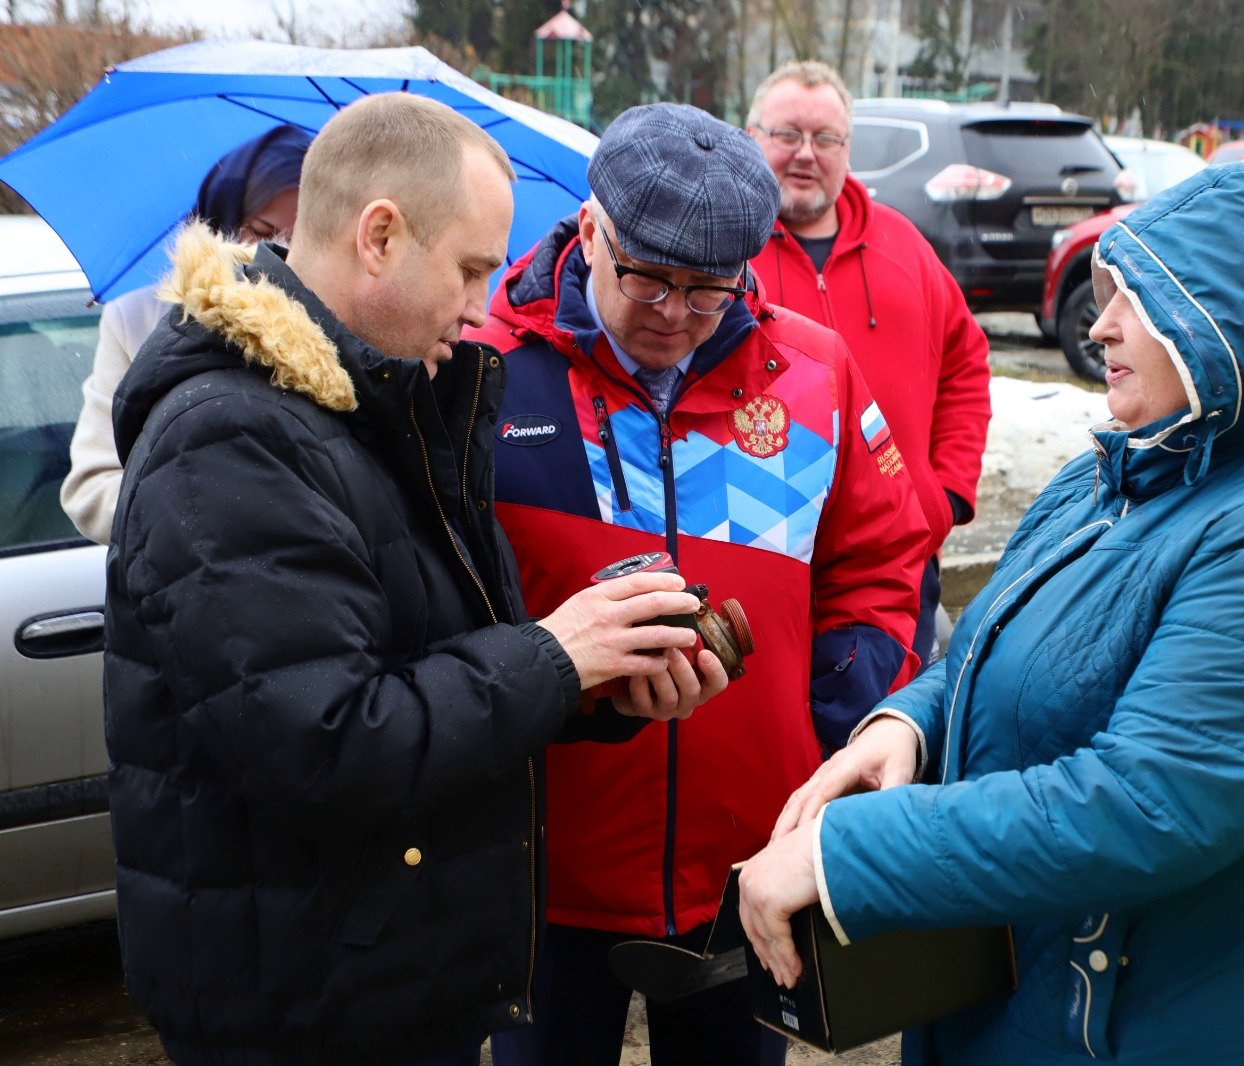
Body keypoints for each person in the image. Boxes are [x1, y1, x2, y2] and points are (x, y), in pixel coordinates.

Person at [739, 163, 1244, 1064]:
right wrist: (908, 721)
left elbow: (1142, 805)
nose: (1098, 325)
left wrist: (847, 854)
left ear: (1234, 323)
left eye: (1136, 301)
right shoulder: (1124, 471)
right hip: (1057, 1007)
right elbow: (993, 644)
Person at [103, 93, 729, 1065]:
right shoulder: (230, 438)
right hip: (304, 1013)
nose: (485, 306)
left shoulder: (359, 412)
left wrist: (599, 682)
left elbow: (429, 660)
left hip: (377, 977)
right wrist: (554, 655)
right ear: (380, 236)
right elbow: (328, 742)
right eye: (473, 269)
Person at [468, 102, 927, 1066]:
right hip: (542, 868)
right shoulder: (486, 373)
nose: (673, 312)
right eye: (645, 278)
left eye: (709, 289)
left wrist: (829, 724)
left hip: (745, 867)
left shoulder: (814, 371)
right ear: (590, 228)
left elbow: (883, 559)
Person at [744, 61, 991, 664]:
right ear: (750, 137)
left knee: (887, 738)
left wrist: (945, 495)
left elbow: (966, 362)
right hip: (774, 567)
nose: (806, 153)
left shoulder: (903, 245)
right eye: (786, 135)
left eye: (825, 138)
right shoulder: (726, 255)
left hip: (899, 567)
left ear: (847, 150)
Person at [61, 123, 312, 545]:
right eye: (263, 233)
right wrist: (208, 507)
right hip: (175, 587)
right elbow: (90, 487)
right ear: (222, 223)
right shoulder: (139, 318)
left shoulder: (342, 329)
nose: (279, 256)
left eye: (301, 239)